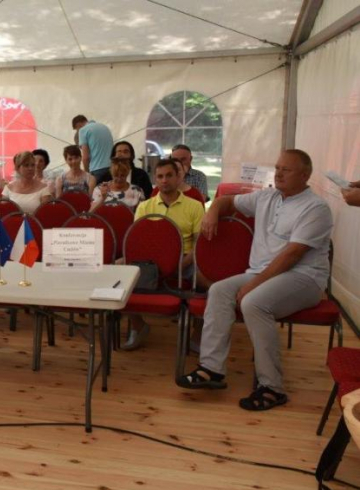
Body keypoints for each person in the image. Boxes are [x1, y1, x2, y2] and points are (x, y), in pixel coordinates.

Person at [177, 150, 333, 412]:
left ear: (305, 175)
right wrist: (213, 211)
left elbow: (293, 255)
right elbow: (226, 201)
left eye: (287, 169)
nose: (279, 173)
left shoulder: (316, 208)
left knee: (254, 303)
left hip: (305, 277)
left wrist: (253, 284)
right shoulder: (267, 197)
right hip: (262, 273)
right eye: (278, 168)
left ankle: (272, 387)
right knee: (219, 291)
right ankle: (212, 369)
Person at [122, 159, 205, 350]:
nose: (164, 180)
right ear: (155, 180)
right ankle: (138, 326)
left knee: (206, 280)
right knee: (117, 272)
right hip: (150, 263)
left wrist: (180, 265)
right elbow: (138, 243)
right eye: (160, 176)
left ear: (178, 177)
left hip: (185, 261)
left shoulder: (194, 206)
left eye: (169, 175)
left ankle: (198, 333)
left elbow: (199, 245)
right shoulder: (145, 207)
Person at [71, 115, 114, 180]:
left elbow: (85, 157)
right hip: (112, 168)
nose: (78, 132)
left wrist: (87, 174)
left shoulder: (83, 130)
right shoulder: (104, 127)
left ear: (78, 125)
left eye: (77, 130)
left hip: (97, 170)